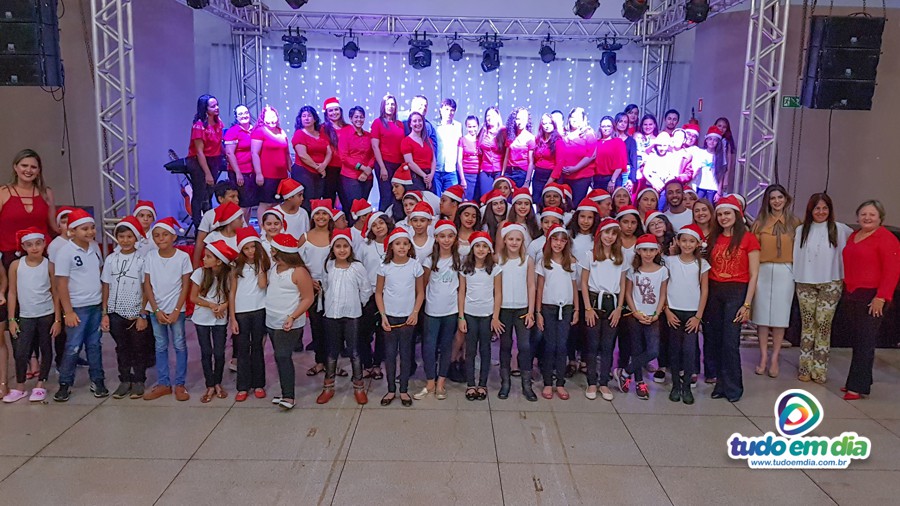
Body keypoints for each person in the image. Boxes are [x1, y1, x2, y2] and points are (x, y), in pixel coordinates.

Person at [841, 200, 900, 400]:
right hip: (853, 294)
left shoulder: (887, 239)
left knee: (866, 341)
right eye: (863, 214)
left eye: (872, 215)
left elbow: (892, 272)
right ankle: (858, 380)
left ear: (880, 217)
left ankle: (856, 387)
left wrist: (881, 297)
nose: (867, 218)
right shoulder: (854, 236)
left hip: (873, 296)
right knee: (858, 340)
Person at [792, 193, 851, 384]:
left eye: (825, 208)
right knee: (808, 325)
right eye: (817, 208)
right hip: (805, 282)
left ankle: (820, 369)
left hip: (831, 282)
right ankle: (804, 367)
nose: (821, 212)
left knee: (824, 326)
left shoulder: (840, 229)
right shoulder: (802, 230)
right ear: (810, 210)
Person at [705, 196, 759, 401]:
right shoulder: (713, 238)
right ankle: (720, 384)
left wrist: (747, 304)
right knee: (715, 340)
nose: (723, 217)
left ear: (737, 215)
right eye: (719, 214)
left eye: (727, 213)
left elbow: (754, 274)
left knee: (730, 341)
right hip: (714, 291)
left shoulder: (748, 238)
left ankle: (734, 387)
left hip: (736, 292)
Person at [52, 209, 105, 402]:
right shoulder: (65, 252)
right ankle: (65, 383)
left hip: (95, 305)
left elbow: (99, 274)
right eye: (85, 229)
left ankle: (98, 380)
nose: (90, 232)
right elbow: (61, 284)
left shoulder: (95, 248)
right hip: (77, 308)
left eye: (92, 228)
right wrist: (68, 311)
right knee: (73, 346)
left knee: (94, 345)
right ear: (72, 231)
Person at [3, 229, 60, 403]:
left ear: (44, 244)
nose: (34, 248)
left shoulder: (49, 265)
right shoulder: (16, 265)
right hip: (26, 315)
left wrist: (57, 319)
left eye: (38, 243)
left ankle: (41, 384)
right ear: (23, 247)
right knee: (21, 351)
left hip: (46, 314)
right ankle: (20, 386)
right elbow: (12, 292)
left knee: (45, 347)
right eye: (29, 245)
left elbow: (55, 292)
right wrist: (12, 319)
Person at [318, 229, 372, 405]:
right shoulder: (328, 266)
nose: (342, 250)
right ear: (332, 249)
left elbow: (366, 290)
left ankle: (359, 387)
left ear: (351, 248)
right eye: (338, 246)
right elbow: (325, 286)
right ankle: (328, 387)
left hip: (352, 315)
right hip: (332, 315)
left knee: (355, 352)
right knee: (332, 352)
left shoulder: (358, 267)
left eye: (345, 246)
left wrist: (356, 304)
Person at [751, 184, 800, 378]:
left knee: (780, 317)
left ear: (786, 199)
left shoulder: (795, 223)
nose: (776, 201)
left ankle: (775, 357)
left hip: (785, 270)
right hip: (763, 269)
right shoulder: (760, 223)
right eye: (773, 198)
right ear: (767, 201)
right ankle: (763, 356)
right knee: (762, 317)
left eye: (780, 197)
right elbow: (754, 251)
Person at [141, 218, 193, 402]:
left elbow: (185, 285)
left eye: (165, 235)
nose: (160, 238)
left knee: (179, 345)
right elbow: (147, 284)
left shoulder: (182, 257)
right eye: (156, 235)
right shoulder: (150, 257)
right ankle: (164, 383)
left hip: (176, 310)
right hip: (157, 310)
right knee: (160, 345)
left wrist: (177, 309)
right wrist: (155, 309)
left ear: (173, 237)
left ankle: (180, 383)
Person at [99, 217, 150, 400]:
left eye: (129, 236)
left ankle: (138, 380)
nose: (125, 240)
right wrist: (104, 313)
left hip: (135, 312)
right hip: (115, 312)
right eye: (121, 237)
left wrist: (142, 314)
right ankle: (124, 380)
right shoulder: (111, 259)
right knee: (121, 348)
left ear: (135, 239)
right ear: (116, 238)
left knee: (138, 348)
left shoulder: (142, 260)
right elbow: (106, 286)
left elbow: (146, 288)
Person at [615, 234, 668, 400]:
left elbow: (662, 295)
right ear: (638, 251)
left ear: (657, 251)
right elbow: (629, 294)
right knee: (636, 350)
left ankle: (625, 372)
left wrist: (657, 314)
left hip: (653, 316)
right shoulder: (633, 271)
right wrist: (635, 312)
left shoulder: (662, 271)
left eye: (651, 250)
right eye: (644, 250)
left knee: (653, 350)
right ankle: (639, 382)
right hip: (635, 315)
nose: (648, 253)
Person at [265, 233, 315, 410]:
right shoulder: (274, 268)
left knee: (282, 356)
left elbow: (308, 298)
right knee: (279, 356)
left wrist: (293, 316)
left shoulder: (298, 272)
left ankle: (289, 396)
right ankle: (285, 390)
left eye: (273, 251)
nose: (271, 254)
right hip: (271, 320)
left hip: (289, 322)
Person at [376, 227, 424, 407]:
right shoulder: (385, 267)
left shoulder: (415, 266)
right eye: (398, 244)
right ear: (391, 247)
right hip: (389, 317)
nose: (402, 247)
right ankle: (390, 389)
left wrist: (415, 312)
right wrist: (382, 315)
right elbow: (379, 293)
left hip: (408, 319)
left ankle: (403, 389)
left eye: (405, 244)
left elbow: (420, 292)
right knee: (389, 355)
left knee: (405, 354)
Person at [580, 218, 627, 401]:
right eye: (607, 233)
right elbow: (583, 282)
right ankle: (592, 381)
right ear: (600, 234)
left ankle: (604, 382)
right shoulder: (589, 255)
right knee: (592, 344)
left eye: (614, 233)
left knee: (608, 345)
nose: (610, 237)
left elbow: (623, 285)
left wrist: (619, 309)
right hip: (594, 301)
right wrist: (588, 308)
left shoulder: (621, 257)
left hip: (612, 303)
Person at [663, 225, 709, 405]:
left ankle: (687, 386)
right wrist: (666, 310)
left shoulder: (702, 264)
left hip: (692, 313)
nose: (687, 244)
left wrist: (698, 316)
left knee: (689, 351)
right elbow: (664, 287)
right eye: (684, 241)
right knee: (674, 350)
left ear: (698, 244)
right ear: (678, 242)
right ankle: (675, 385)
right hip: (673, 311)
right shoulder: (670, 261)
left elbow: (704, 291)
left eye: (691, 241)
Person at [418, 220, 461, 400]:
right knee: (429, 345)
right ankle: (430, 381)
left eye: (450, 236)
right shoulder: (429, 260)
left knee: (446, 346)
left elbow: (461, 287)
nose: (446, 240)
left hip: (451, 311)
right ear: (436, 238)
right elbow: (424, 284)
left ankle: (441, 381)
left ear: (455, 238)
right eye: (442, 236)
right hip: (432, 311)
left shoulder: (459, 259)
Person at [536, 224, 579, 400]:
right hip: (548, 308)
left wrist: (577, 309)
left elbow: (574, 287)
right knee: (549, 346)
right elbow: (539, 288)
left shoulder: (572, 262)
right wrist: (538, 312)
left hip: (566, 308)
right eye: (555, 239)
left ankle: (560, 383)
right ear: (549, 241)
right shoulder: (543, 263)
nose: (558, 244)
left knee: (562, 346)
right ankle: (548, 382)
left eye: (562, 240)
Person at [191, 240, 237, 403]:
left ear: (219, 261)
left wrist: (223, 306)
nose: (204, 259)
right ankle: (209, 384)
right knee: (206, 352)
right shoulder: (200, 273)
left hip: (220, 319)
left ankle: (217, 382)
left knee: (219, 352)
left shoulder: (230, 274)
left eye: (209, 257)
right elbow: (193, 297)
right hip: (202, 318)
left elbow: (232, 295)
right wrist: (210, 305)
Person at [459, 232, 502, 401]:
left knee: (485, 350)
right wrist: (461, 317)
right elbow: (461, 292)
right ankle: (471, 383)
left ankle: (482, 383)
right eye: (477, 246)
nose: (481, 249)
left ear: (489, 250)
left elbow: (498, 293)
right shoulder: (465, 269)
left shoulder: (495, 269)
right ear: (472, 248)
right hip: (470, 314)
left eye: (484, 246)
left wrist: (495, 317)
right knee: (470, 350)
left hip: (487, 315)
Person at [496, 222, 536, 400]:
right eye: (510, 239)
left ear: (522, 241)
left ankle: (527, 384)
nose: (514, 242)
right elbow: (494, 288)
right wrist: (495, 314)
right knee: (505, 345)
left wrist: (531, 311)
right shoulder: (498, 259)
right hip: (504, 309)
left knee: (525, 346)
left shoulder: (527, 260)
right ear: (504, 240)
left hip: (522, 308)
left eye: (518, 239)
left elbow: (531, 285)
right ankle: (505, 383)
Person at [229, 227, 270, 401]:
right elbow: (232, 292)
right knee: (243, 349)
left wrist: (261, 265)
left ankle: (259, 383)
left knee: (258, 348)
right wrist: (232, 318)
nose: (250, 251)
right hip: (241, 312)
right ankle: (243, 386)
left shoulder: (263, 264)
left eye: (253, 247)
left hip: (259, 309)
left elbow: (262, 285)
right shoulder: (235, 266)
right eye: (246, 248)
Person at [0, 149, 57, 267]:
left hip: (41, 254)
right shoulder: (3, 192)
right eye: (24, 165)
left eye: (33, 167)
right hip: (9, 256)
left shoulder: (46, 193)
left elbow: (54, 226)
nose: (28, 170)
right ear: (15, 167)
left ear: (39, 170)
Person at [299, 199, 334, 370]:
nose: (321, 217)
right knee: (316, 324)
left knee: (332, 325)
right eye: (318, 214)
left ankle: (331, 362)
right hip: (312, 286)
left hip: (333, 285)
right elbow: (298, 263)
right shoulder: (305, 237)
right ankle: (320, 361)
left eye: (324, 213)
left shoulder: (335, 236)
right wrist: (308, 280)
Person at [358, 211, 393, 380]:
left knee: (383, 332)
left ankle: (378, 364)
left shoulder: (394, 243)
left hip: (389, 294)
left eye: (381, 223)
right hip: (369, 293)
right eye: (375, 224)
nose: (379, 227)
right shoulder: (365, 245)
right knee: (363, 331)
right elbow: (358, 268)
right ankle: (366, 364)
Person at [186, 95, 225, 232]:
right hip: (198, 161)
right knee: (199, 193)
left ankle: (209, 223)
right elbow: (199, 152)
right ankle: (198, 226)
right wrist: (207, 173)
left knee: (209, 193)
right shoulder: (199, 126)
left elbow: (219, 143)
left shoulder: (218, 122)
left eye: (217, 105)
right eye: (213, 106)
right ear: (205, 108)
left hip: (214, 159)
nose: (217, 108)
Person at [251, 105, 291, 220]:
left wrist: (290, 171)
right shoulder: (259, 132)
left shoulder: (281, 132)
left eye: (274, 116)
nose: (272, 120)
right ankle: (263, 231)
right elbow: (255, 153)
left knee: (278, 204)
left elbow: (287, 154)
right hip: (267, 176)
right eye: (269, 117)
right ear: (263, 119)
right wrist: (259, 173)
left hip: (282, 176)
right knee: (266, 204)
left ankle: (275, 229)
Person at [551, 108, 596, 205]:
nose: (574, 120)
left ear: (583, 119)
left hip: (581, 177)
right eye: (572, 117)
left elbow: (591, 155)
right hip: (564, 177)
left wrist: (575, 168)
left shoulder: (588, 134)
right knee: (563, 204)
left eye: (578, 117)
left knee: (576, 205)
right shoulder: (564, 134)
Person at [291, 105, 332, 210]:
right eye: (303, 116)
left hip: (319, 173)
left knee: (317, 202)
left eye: (309, 116)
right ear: (300, 119)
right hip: (303, 172)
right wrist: (318, 168)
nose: (306, 118)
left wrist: (323, 166)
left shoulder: (321, 133)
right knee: (306, 203)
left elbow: (329, 152)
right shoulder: (299, 134)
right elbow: (302, 155)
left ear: (314, 119)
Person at [224, 104, 260, 222]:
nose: (244, 116)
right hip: (239, 173)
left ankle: (245, 229)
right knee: (242, 204)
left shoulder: (254, 129)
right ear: (236, 117)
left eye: (245, 113)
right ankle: (239, 231)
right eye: (240, 114)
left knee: (249, 204)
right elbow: (229, 154)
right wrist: (238, 173)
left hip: (252, 172)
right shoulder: (233, 131)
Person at [338, 106, 376, 215]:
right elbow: (344, 157)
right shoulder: (345, 134)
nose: (359, 119)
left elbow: (374, 155)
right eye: (356, 117)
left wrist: (368, 169)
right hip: (350, 177)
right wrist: (363, 168)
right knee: (353, 210)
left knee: (364, 209)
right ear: (350, 118)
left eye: (361, 117)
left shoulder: (369, 136)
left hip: (367, 177)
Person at [193, 181, 240, 266]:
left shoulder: (239, 215)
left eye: (237, 196)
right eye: (232, 197)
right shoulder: (209, 215)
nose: (237, 200)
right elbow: (200, 242)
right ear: (220, 199)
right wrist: (195, 267)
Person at [372, 94, 405, 212]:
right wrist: (382, 167)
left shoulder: (400, 124)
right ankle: (383, 222)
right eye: (388, 104)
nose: (390, 106)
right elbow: (375, 146)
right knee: (386, 196)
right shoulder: (378, 123)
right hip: (384, 164)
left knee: (397, 197)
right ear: (383, 106)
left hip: (399, 165)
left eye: (392, 104)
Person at [322, 97, 350, 205]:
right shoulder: (323, 128)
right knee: (329, 199)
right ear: (327, 113)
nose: (334, 113)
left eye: (336, 110)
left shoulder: (348, 128)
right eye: (331, 110)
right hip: (330, 169)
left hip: (346, 169)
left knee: (347, 200)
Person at [435, 98, 464, 195]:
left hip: (451, 170)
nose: (449, 112)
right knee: (436, 198)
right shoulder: (432, 124)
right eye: (447, 109)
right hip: (436, 170)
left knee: (452, 198)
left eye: (452, 110)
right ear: (441, 110)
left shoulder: (458, 126)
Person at [476, 107, 507, 195]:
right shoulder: (483, 131)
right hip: (485, 170)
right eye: (488, 115)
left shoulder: (504, 131)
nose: (490, 118)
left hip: (499, 170)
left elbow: (507, 154)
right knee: (485, 198)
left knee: (499, 197)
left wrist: (503, 173)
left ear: (498, 117)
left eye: (493, 115)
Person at [402, 111, 436, 191]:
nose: (418, 123)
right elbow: (410, 162)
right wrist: (424, 176)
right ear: (410, 124)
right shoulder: (406, 141)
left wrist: (430, 175)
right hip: (416, 176)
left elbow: (433, 160)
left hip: (429, 176)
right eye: (414, 121)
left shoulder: (429, 141)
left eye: (420, 120)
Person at [502, 107, 535, 190]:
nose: (520, 122)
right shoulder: (510, 136)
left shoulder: (530, 138)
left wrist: (527, 181)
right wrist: (502, 175)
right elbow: (506, 157)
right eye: (518, 119)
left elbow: (531, 162)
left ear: (527, 120)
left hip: (521, 173)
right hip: (508, 172)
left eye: (523, 119)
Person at [594, 116, 627, 193]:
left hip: (612, 178)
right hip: (597, 179)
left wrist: (612, 180)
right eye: (603, 126)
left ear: (613, 127)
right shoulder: (597, 142)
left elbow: (620, 163)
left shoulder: (618, 142)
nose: (605, 128)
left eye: (608, 126)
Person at [533, 113, 561, 202]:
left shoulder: (558, 141)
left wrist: (550, 181)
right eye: (544, 123)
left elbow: (559, 164)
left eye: (549, 123)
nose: (547, 126)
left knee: (548, 201)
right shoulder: (538, 140)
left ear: (554, 125)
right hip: (537, 175)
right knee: (537, 200)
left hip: (551, 176)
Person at [693, 126, 726, 202]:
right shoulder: (700, 153)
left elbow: (721, 175)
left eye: (715, 140)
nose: (712, 142)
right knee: (696, 205)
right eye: (710, 139)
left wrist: (719, 192)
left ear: (718, 142)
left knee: (710, 208)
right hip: (700, 186)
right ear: (706, 140)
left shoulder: (720, 156)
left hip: (713, 187)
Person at [614, 112, 638, 192]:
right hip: (611, 172)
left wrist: (631, 179)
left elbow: (634, 162)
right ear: (616, 122)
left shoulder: (631, 141)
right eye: (620, 121)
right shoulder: (611, 139)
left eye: (625, 122)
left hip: (626, 174)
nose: (623, 124)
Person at [714, 117, 736, 188]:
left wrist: (726, 178)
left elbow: (729, 162)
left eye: (724, 127)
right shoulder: (710, 139)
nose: (721, 129)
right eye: (719, 126)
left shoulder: (726, 142)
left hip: (721, 169)